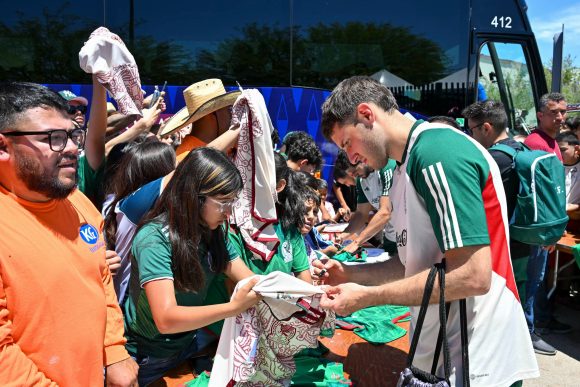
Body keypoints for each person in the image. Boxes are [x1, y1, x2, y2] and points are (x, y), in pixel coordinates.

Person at [316, 76, 538, 386]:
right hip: (443, 355)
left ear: (367, 115)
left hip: (477, 361)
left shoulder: (436, 152)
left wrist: (367, 297)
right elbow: (412, 266)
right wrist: (350, 274)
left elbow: (472, 275)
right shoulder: (404, 167)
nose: (350, 158)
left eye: (347, 143)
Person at [0, 82, 138, 385]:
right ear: (3, 147)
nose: (73, 148)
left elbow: (99, 275)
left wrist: (114, 351)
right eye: (54, 138)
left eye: (73, 135)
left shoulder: (78, 202)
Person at [124, 147, 260, 386]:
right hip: (146, 358)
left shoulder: (214, 232)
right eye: (223, 203)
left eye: (233, 202)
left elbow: (248, 279)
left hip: (186, 347)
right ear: (194, 195)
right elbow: (166, 319)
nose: (229, 213)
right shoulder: (154, 239)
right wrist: (233, 308)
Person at [462, 100, 556, 355]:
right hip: (526, 240)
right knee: (520, 295)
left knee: (496, 305)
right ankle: (518, 346)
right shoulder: (522, 150)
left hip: (501, 246)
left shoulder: (492, 159)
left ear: (486, 128)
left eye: (471, 129)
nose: (469, 135)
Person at [523, 93, 571, 337]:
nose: (560, 117)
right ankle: (528, 334)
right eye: (554, 112)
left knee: (539, 279)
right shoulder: (537, 144)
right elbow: (539, 196)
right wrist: (548, 232)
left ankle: (536, 325)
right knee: (532, 282)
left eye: (563, 111)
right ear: (540, 115)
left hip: (548, 229)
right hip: (539, 230)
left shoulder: (552, 142)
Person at [338, 156, 397, 255]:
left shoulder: (386, 167)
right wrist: (341, 237)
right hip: (390, 236)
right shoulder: (361, 180)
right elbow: (361, 214)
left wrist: (357, 242)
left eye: (355, 171)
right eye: (351, 174)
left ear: (360, 159)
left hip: (410, 236)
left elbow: (385, 212)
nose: (354, 175)